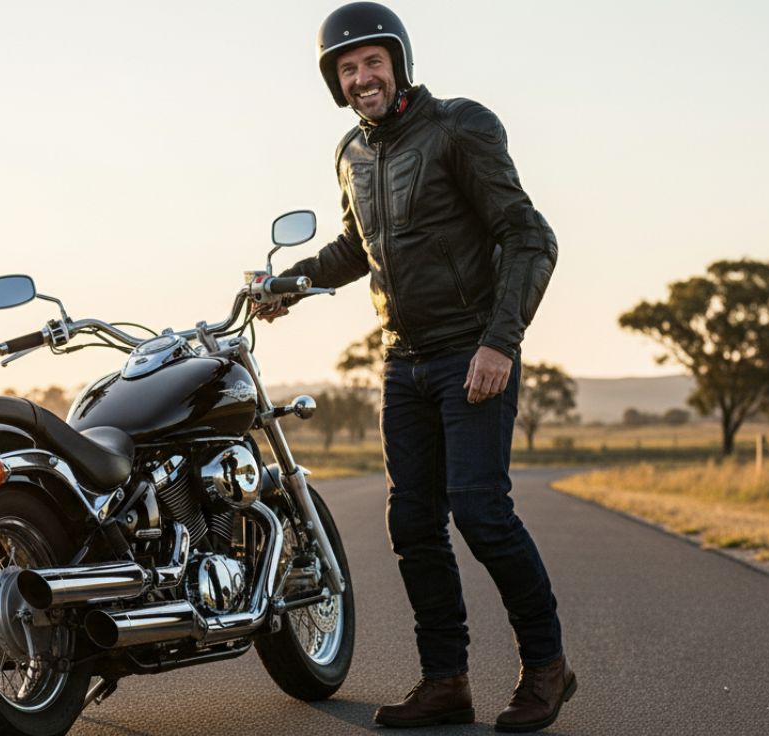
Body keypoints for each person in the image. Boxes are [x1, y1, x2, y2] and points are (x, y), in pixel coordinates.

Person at [260, 3, 573, 732]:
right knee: (413, 522)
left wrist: (501, 341)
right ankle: (446, 682)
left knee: (482, 513)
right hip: (404, 364)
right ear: (334, 82)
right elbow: (354, 247)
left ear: (398, 62)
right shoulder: (351, 153)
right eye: (347, 68)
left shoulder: (460, 126)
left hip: (473, 351)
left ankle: (548, 667)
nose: (362, 77)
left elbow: (529, 235)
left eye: (372, 61)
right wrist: (291, 285)